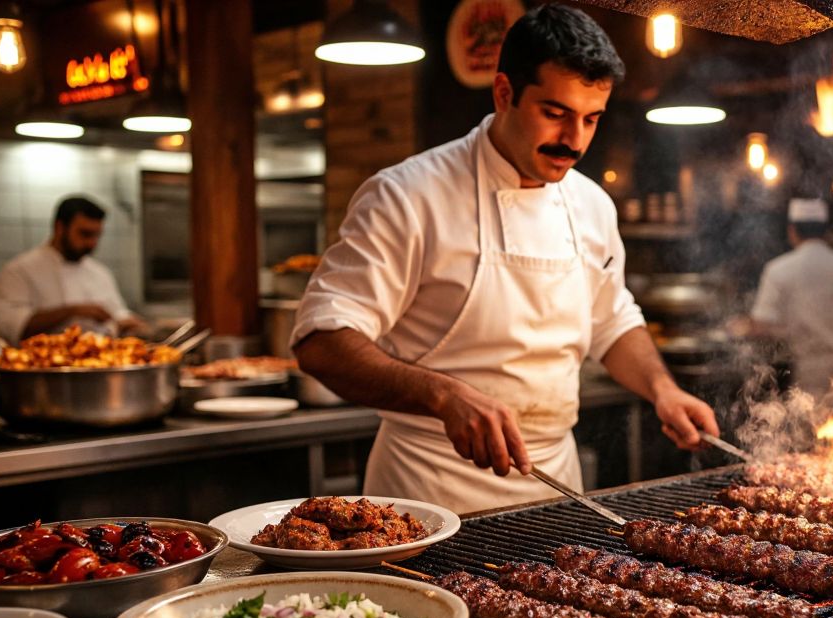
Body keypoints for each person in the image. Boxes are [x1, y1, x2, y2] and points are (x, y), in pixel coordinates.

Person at [291, 5, 718, 515]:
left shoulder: (591, 205)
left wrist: (662, 389)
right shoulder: (407, 195)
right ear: (504, 93)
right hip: (425, 490)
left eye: (591, 119)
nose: (575, 141)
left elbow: (611, 321)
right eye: (555, 113)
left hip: (554, 487)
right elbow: (321, 341)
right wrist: (444, 396)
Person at [749, 197, 833, 396]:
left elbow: (762, 325)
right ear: (824, 232)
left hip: (809, 373)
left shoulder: (778, 270)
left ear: (792, 231)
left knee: (813, 424)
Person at [0, 196, 147, 344]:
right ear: (59, 227)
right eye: (85, 234)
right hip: (41, 368)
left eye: (97, 235)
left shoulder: (99, 272)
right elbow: (9, 326)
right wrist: (73, 311)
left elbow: (117, 314)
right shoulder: (19, 270)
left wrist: (130, 324)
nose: (92, 243)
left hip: (99, 365)